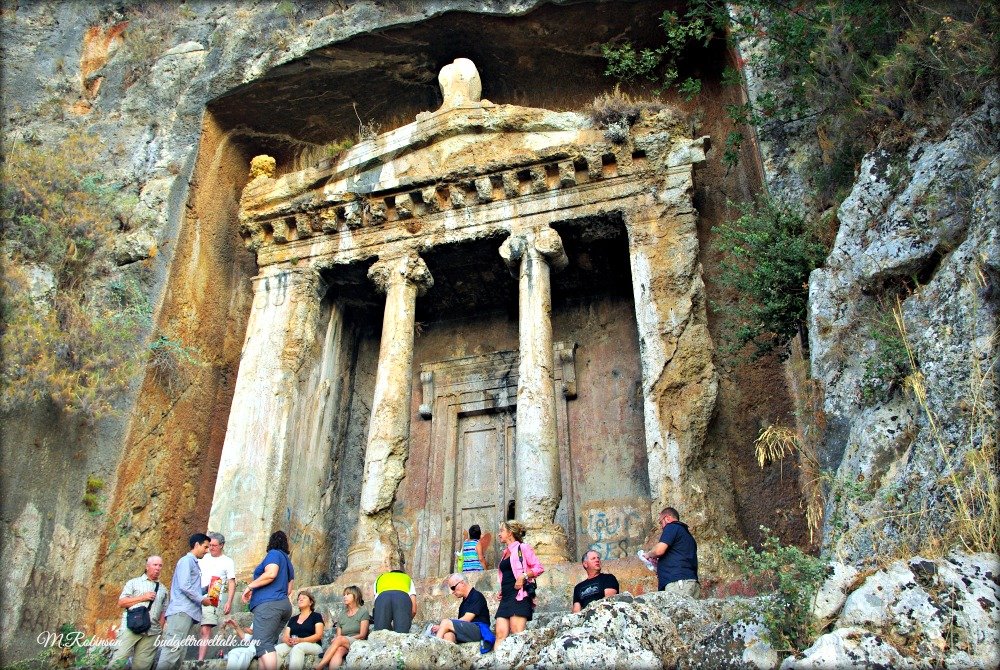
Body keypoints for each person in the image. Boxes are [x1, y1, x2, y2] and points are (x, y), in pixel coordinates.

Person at [241, 530, 295, 670]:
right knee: (266, 646)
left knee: (262, 643)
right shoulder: (288, 562)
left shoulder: (274, 554)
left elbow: (271, 574)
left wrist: (250, 587)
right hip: (283, 605)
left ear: (271, 542)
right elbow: (289, 590)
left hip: (269, 606)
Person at [111, 555, 169, 670]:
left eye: (160, 565)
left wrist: (159, 631)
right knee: (118, 661)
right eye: (155, 565)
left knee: (143, 666)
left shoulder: (163, 589)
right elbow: (121, 602)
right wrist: (143, 597)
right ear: (147, 567)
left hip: (151, 633)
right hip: (131, 627)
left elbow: (164, 612)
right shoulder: (133, 583)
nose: (158, 568)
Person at [494, 520, 544, 645]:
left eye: (502, 531)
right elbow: (508, 574)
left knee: (517, 633)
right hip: (506, 597)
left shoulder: (523, 548)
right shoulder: (505, 553)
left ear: (510, 533)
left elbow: (539, 568)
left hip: (519, 596)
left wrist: (524, 576)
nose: (499, 534)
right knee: (500, 634)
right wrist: (502, 590)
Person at [197, 532, 238, 661]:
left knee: (206, 628)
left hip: (212, 597)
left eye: (214, 545)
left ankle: (200, 660)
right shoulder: (203, 557)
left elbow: (232, 582)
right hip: (196, 594)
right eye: (210, 545)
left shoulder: (227, 561)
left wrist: (229, 602)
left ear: (222, 545)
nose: (211, 548)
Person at [644, 506, 699, 597]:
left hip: (678, 583)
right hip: (690, 582)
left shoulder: (672, 527)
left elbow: (659, 550)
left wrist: (648, 554)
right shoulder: (688, 536)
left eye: (661, 522)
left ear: (668, 518)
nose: (661, 527)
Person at [431, 573, 494, 650]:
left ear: (462, 583)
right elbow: (460, 625)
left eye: (453, 587)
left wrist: (442, 626)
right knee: (448, 635)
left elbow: (466, 619)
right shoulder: (463, 603)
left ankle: (433, 649)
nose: (452, 592)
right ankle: (448, 659)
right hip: (468, 631)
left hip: (479, 630)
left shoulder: (476, 596)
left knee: (445, 622)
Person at [313, 585, 369, 669]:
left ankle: (320, 665)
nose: (344, 597)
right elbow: (338, 635)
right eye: (344, 595)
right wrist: (340, 639)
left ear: (355, 596)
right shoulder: (342, 614)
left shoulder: (363, 611)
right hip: (344, 643)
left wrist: (343, 639)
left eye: (348, 594)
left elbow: (362, 635)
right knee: (339, 650)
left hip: (358, 642)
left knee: (340, 639)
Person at [275, 591, 324, 670]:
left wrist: (301, 640)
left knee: (298, 648)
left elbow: (319, 635)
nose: (300, 600)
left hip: (314, 645)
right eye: (299, 599)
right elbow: (285, 636)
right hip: (294, 644)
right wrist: (288, 641)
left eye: (304, 598)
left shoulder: (316, 616)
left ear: (310, 602)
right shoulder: (293, 619)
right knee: (277, 649)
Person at [371, 568, 416, 633]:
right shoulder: (407, 578)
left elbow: (377, 604)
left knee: (381, 634)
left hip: (382, 598)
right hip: (402, 599)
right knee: (401, 634)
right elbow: (414, 610)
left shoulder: (379, 578)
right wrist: (407, 620)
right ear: (402, 574)